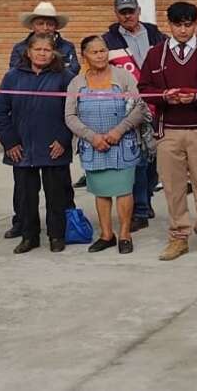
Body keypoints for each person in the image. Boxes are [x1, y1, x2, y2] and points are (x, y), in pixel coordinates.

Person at [139, 1, 197, 261]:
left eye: (189, 25)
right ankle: (178, 236)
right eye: (178, 25)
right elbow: (144, 88)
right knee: (174, 187)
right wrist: (165, 96)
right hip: (168, 130)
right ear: (170, 25)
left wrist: (196, 98)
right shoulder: (156, 53)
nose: (183, 31)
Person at [0, 32, 75, 254]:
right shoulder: (12, 77)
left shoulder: (65, 77)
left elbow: (74, 112)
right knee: (26, 197)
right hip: (22, 149)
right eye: (37, 49)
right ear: (28, 52)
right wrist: (10, 143)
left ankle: (56, 235)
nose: (42, 53)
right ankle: (29, 236)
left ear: (54, 52)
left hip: (54, 148)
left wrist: (63, 140)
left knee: (57, 195)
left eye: (47, 49)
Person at [64, 36, 147, 254]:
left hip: (123, 143)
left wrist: (118, 131)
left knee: (123, 190)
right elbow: (70, 116)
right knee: (101, 191)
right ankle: (106, 234)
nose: (100, 55)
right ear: (84, 56)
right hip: (93, 147)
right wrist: (92, 137)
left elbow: (140, 107)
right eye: (94, 52)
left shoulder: (123, 76)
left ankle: (125, 235)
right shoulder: (77, 83)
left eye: (103, 51)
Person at [5, 2, 79, 236]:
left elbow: (73, 79)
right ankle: (23, 225)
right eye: (40, 22)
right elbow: (15, 80)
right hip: (26, 123)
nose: (45, 27)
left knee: (59, 184)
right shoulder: (19, 48)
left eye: (49, 23)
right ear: (33, 25)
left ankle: (63, 226)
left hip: (56, 119)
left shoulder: (68, 47)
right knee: (24, 187)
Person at [102, 0, 167, 231]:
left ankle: (146, 197)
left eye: (131, 10)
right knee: (137, 159)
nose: (128, 15)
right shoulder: (108, 41)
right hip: (128, 108)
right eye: (123, 11)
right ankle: (140, 208)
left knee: (154, 160)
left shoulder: (156, 34)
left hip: (157, 105)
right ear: (116, 13)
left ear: (139, 11)